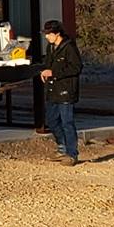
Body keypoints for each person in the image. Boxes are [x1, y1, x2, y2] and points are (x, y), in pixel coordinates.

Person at [37, 18, 83, 164]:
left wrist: (54, 73)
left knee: (67, 122)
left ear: (57, 34)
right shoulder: (50, 48)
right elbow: (48, 65)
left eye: (49, 34)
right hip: (52, 89)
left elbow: (76, 67)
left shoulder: (69, 47)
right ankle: (62, 147)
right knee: (52, 120)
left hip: (66, 90)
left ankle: (72, 154)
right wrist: (44, 71)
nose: (46, 36)